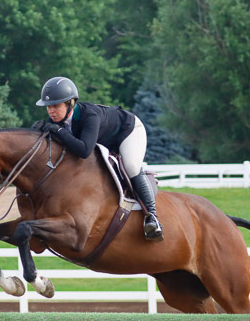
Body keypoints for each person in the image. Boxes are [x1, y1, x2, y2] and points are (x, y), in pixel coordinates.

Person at [32, 76, 163, 241]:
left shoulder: (89, 116)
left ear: (70, 103)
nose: (51, 111)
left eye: (56, 106)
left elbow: (85, 150)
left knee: (131, 166)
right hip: (105, 139)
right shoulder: (58, 119)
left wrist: (57, 131)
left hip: (128, 131)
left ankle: (153, 217)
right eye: (48, 107)